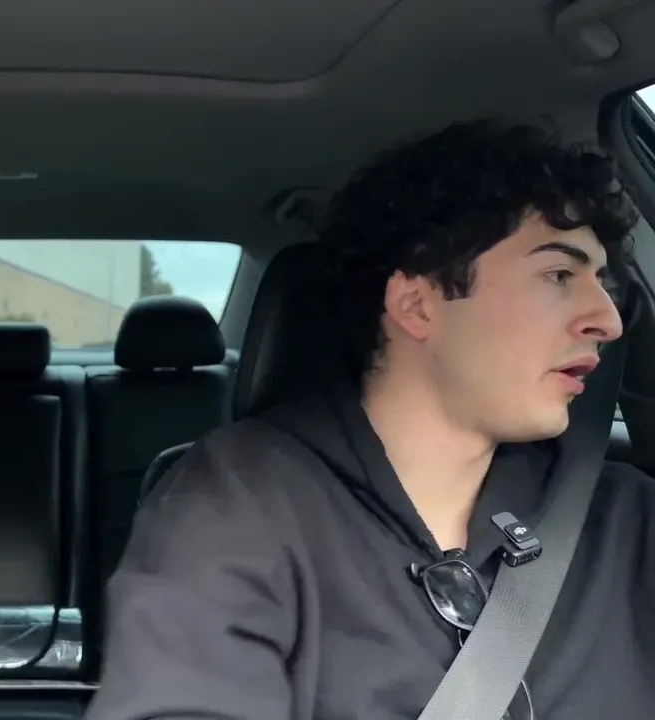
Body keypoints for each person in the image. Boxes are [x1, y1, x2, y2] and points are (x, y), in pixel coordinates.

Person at [85, 120, 655, 719]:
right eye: (559, 275)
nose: (608, 321)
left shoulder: (623, 519)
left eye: (606, 285)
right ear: (417, 304)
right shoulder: (236, 505)